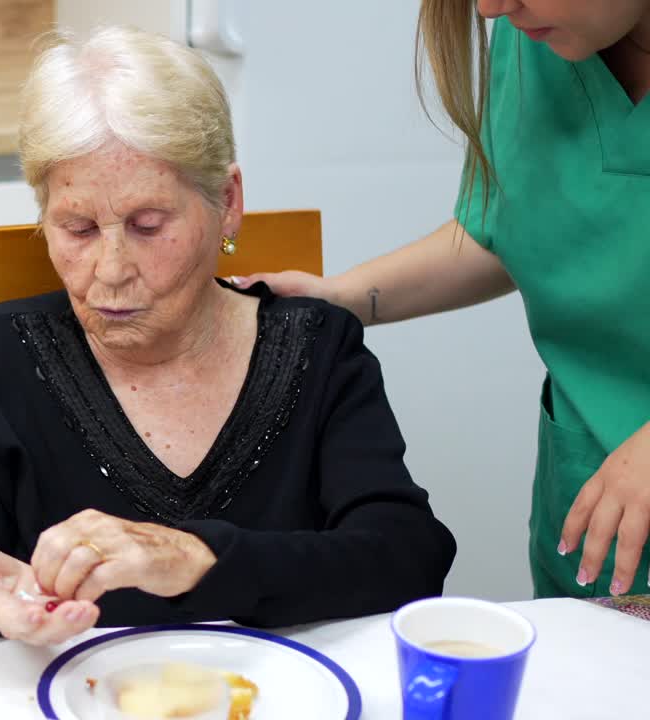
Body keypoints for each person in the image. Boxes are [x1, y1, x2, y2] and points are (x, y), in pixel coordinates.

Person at [0, 26, 456, 645]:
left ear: (228, 202)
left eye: (148, 225)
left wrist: (202, 562)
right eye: (76, 228)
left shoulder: (317, 345)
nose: (110, 270)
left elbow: (409, 557)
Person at [237, 0, 650, 599]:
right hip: (592, 509)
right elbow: (509, 230)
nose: (490, 9)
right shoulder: (536, 33)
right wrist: (340, 300)